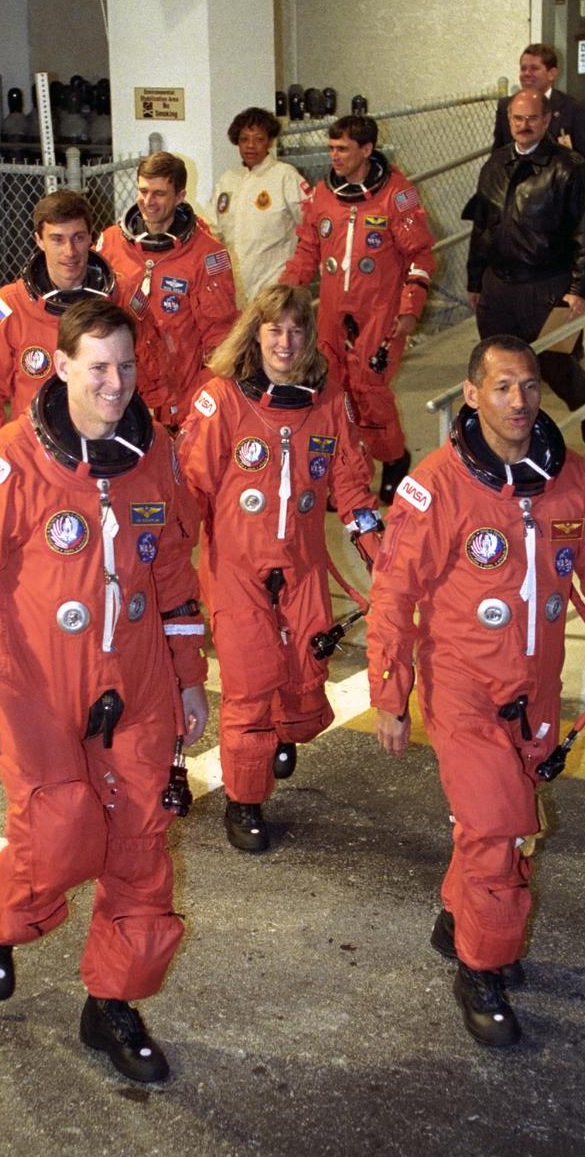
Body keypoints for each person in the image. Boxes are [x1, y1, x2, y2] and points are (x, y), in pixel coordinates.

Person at [0, 297, 208, 1084]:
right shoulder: (11, 463)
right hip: (37, 692)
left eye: (127, 367)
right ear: (63, 367)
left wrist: (189, 681)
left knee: (140, 853)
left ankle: (112, 1003)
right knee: (61, 838)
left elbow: (176, 576)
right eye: (100, 368)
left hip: (139, 691)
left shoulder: (157, 456)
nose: (116, 384)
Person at [366, 334, 585, 1050]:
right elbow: (394, 596)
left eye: (527, 387)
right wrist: (391, 695)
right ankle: (481, 969)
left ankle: (460, 917)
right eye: (501, 388)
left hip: (537, 691)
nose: (519, 402)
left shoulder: (572, 479)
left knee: (512, 827)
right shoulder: (437, 485)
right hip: (463, 688)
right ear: (471, 394)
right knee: (496, 823)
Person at [177, 284, 382, 854]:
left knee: (304, 676)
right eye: (274, 329)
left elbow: (349, 481)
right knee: (249, 685)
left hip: (304, 568)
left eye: (295, 330)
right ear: (256, 333)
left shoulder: (327, 403)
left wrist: (375, 546)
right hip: (237, 568)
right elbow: (191, 489)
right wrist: (164, 560)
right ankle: (245, 803)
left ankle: (281, 736)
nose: (285, 342)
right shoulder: (221, 400)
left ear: (307, 337)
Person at [280, 115, 436, 503]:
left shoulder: (396, 195)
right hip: (334, 310)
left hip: (380, 309)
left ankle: (394, 457)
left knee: (369, 387)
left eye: (343, 149)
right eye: (331, 148)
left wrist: (409, 307)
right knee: (334, 390)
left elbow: (419, 254)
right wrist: (283, 293)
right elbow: (307, 250)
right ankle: (350, 476)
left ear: (366, 150)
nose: (334, 156)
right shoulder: (322, 195)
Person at [465, 89, 585, 445]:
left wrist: (578, 291)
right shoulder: (494, 165)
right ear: (509, 120)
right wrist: (474, 281)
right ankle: (514, 437)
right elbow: (481, 229)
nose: (524, 126)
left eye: (531, 118)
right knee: (500, 368)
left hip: (548, 287)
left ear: (545, 121)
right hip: (499, 287)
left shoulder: (569, 168)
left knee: (554, 366)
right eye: (517, 118)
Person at [0, 190, 114, 459]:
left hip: (105, 451)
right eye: (57, 239)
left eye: (78, 237)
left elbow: (146, 376)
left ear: (92, 238)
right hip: (36, 458)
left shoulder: (118, 299)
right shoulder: (9, 308)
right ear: (39, 241)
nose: (70, 251)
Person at [97, 151, 238, 431]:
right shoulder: (110, 243)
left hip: (179, 397)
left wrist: (196, 405)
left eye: (159, 193)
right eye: (143, 191)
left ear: (180, 195)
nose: (148, 202)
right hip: (120, 387)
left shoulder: (207, 256)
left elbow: (220, 343)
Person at [210, 106, 311, 306]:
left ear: (270, 142)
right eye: (244, 139)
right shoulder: (228, 180)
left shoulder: (285, 175)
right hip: (233, 289)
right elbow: (211, 231)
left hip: (274, 284)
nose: (250, 146)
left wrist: (295, 274)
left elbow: (312, 224)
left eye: (258, 139)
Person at [491, 44, 585, 185]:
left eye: (534, 68)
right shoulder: (506, 107)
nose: (526, 74)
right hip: (517, 191)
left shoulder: (573, 109)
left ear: (552, 74)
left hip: (558, 194)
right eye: (523, 68)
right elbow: (498, 156)